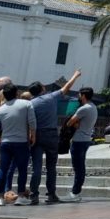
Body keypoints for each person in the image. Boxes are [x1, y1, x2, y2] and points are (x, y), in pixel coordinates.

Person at [28, 69, 81, 204]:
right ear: (42, 89)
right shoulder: (51, 97)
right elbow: (66, 87)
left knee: (37, 167)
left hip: (37, 135)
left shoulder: (30, 104)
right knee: (51, 166)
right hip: (51, 135)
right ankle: (51, 194)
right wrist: (75, 75)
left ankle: (34, 195)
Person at [0, 82, 36, 207]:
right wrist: (33, 136)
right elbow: (32, 122)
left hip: (5, 143)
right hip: (21, 142)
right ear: (17, 93)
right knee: (22, 170)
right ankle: (21, 196)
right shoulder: (26, 104)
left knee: (3, 169)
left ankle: (0, 198)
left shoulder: (1, 109)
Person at [64, 87, 97, 202]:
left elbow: (69, 123)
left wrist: (74, 123)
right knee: (80, 166)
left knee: (78, 167)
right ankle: (76, 191)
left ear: (83, 96)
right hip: (86, 139)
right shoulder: (93, 107)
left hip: (78, 140)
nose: (78, 97)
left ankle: (75, 192)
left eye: (79, 94)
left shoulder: (84, 109)